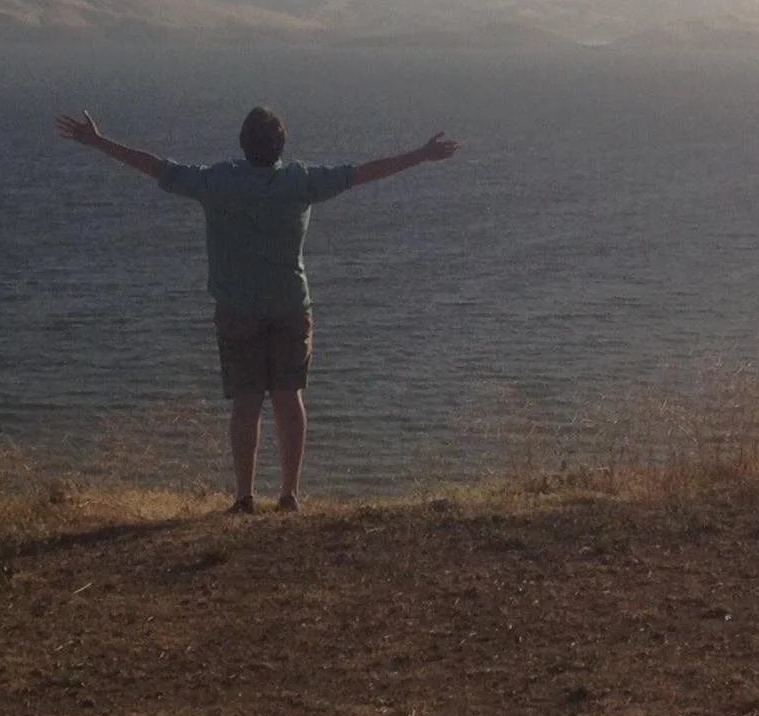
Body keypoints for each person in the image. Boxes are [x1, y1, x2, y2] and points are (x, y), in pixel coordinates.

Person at [56, 103, 458, 511]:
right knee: (289, 397)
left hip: (238, 310)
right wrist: (421, 155)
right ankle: (289, 494)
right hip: (290, 306)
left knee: (247, 402)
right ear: (280, 145)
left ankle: (245, 496)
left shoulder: (218, 182)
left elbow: (158, 168)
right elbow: (360, 173)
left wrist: (99, 142)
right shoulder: (300, 181)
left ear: (243, 144)